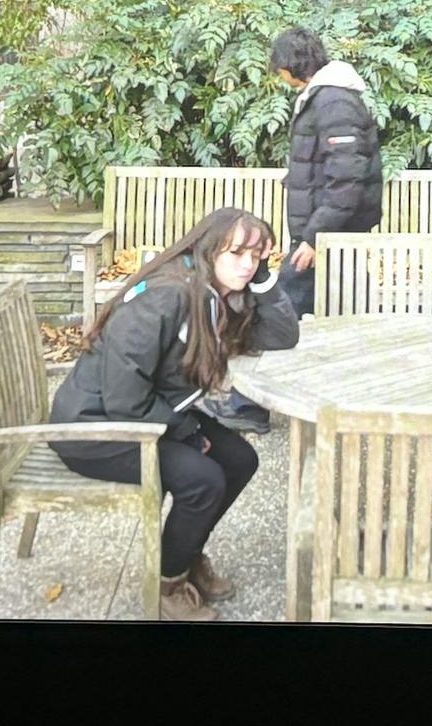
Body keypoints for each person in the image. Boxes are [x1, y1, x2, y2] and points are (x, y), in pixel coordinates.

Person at [48, 206, 298, 621]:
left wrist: (265, 276)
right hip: (95, 428)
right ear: (208, 250)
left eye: (254, 257)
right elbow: (123, 397)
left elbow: (283, 335)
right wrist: (185, 431)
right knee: (203, 481)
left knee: (240, 459)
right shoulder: (168, 296)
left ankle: (186, 549)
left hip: (144, 411)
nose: (246, 265)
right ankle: (167, 583)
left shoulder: (219, 295)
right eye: (236, 254)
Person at [206, 25, 382, 434]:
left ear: (291, 65)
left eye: (279, 68)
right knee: (348, 316)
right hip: (331, 235)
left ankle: (247, 408)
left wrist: (316, 238)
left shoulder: (334, 101)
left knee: (270, 312)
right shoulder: (329, 96)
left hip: (329, 239)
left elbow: (346, 180)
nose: (279, 76)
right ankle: (353, 406)